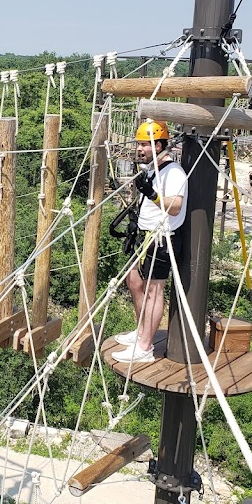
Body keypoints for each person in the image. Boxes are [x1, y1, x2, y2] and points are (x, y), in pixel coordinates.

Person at [112, 120, 188, 364]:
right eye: (139, 144)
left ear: (158, 146)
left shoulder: (173, 172)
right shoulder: (152, 170)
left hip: (162, 238)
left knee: (154, 291)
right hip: (146, 235)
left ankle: (145, 347)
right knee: (134, 281)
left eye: (144, 144)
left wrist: (152, 194)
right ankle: (141, 331)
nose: (139, 149)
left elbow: (175, 207)